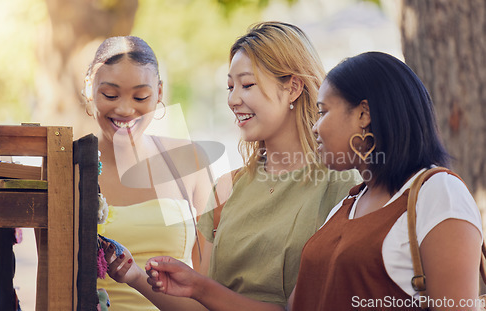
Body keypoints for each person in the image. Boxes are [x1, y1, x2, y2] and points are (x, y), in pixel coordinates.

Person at [145, 51, 483, 311]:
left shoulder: (437, 193)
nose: (315, 127)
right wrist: (197, 287)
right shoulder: (346, 205)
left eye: (323, 112)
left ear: (364, 114)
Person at [105, 22, 360, 310]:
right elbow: (201, 304)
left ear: (293, 88)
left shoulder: (342, 185)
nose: (233, 99)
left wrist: (201, 288)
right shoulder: (227, 187)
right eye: (230, 86)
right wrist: (135, 275)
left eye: (247, 85)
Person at [82, 35, 212, 310]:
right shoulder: (69, 167)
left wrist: (138, 278)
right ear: (88, 89)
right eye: (110, 95)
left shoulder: (192, 162)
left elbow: (209, 295)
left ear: (160, 92)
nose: (126, 109)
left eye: (140, 96)